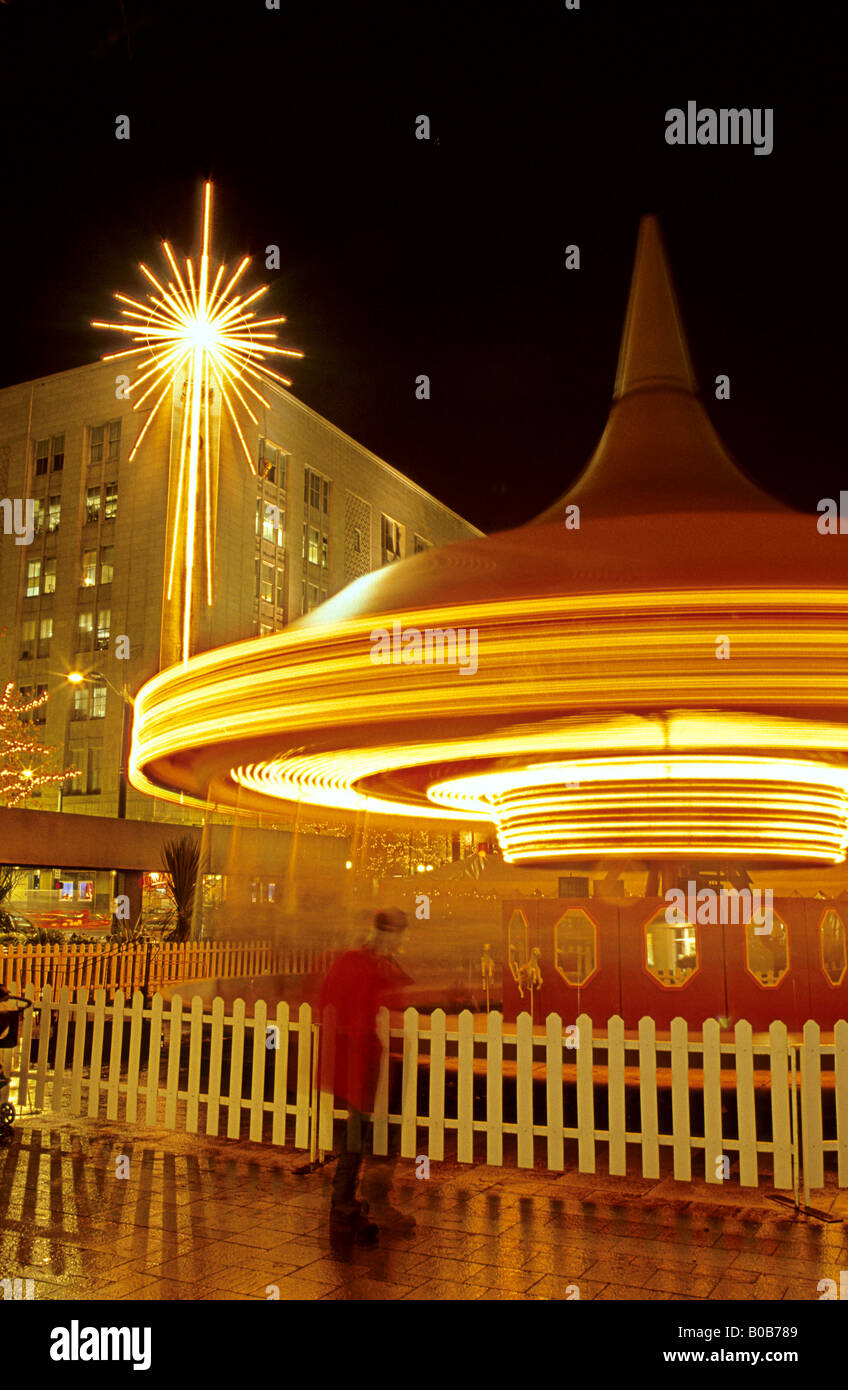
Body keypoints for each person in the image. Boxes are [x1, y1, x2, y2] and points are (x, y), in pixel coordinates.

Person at [319, 907, 414, 1244]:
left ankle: (347, 1204)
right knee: (357, 1137)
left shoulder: (357, 961)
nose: (400, 942)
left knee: (355, 1138)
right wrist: (369, 1048)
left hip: (353, 1060)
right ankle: (344, 1209)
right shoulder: (365, 965)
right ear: (388, 934)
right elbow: (359, 1015)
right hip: (358, 1062)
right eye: (398, 935)